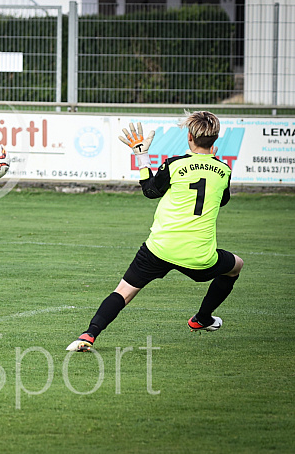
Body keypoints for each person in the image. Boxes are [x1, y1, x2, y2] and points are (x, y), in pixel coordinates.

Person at [66, 111, 243, 352]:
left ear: (190, 137)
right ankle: (202, 319)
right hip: (199, 255)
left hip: (160, 248)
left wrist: (142, 156)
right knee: (236, 265)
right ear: (215, 140)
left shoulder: (174, 165)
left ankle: (89, 334)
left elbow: (150, 191)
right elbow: (222, 201)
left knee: (124, 292)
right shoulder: (224, 170)